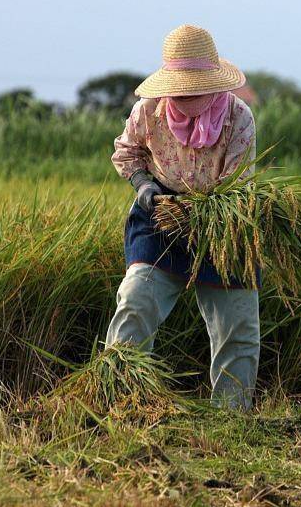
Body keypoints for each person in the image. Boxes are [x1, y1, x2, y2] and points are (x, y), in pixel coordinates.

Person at [105, 24, 258, 410]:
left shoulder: (238, 118)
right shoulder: (148, 112)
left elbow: (236, 184)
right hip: (160, 215)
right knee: (136, 300)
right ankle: (120, 401)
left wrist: (202, 210)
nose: (187, 95)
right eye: (181, 87)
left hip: (222, 218)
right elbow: (127, 152)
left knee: (237, 324)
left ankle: (231, 418)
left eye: (196, 88)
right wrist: (143, 184)